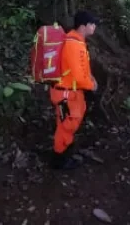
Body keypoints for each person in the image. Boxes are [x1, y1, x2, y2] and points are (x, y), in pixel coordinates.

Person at [50, 10, 99, 170]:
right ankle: (59, 160)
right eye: (93, 24)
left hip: (72, 92)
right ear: (84, 26)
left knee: (68, 124)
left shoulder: (77, 41)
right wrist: (91, 85)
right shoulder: (72, 44)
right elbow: (78, 76)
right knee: (66, 126)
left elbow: (82, 69)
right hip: (66, 93)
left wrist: (91, 78)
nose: (95, 27)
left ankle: (65, 155)